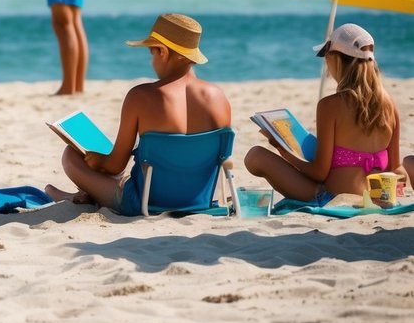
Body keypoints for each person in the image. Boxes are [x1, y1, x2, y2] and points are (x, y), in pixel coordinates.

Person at [45, 14, 231, 214]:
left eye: (151, 53)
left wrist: (98, 160)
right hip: (199, 201)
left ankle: (82, 196)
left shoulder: (140, 96)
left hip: (144, 202)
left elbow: (115, 166)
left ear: (162, 52)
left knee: (71, 156)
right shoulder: (219, 99)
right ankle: (81, 197)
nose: (152, 61)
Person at [244, 24, 401, 206]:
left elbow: (319, 173)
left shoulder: (330, 105)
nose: (325, 61)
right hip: (378, 199)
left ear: (337, 59)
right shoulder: (390, 105)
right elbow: (395, 169)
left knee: (255, 156)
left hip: (331, 198)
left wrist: (281, 148)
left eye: (326, 55)